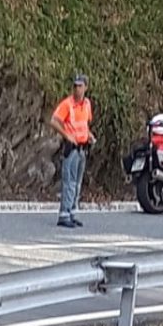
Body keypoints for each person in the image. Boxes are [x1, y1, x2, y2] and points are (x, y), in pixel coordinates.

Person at [50, 73, 93, 229]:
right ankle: (64, 214)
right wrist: (67, 135)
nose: (77, 89)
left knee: (77, 183)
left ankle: (73, 212)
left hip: (82, 148)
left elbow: (84, 124)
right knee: (69, 182)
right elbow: (54, 121)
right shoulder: (67, 104)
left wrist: (89, 135)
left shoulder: (87, 104)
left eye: (80, 86)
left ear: (86, 87)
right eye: (75, 86)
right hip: (71, 149)